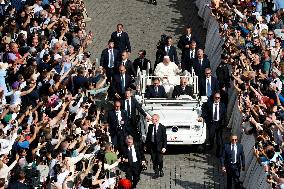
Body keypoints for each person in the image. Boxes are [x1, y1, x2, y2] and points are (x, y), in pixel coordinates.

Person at [200, 91, 226, 157]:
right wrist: (202, 117)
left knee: (219, 140)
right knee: (211, 136)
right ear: (213, 98)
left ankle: (218, 153)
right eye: (216, 98)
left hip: (219, 124)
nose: (217, 99)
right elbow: (205, 112)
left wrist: (224, 123)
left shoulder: (222, 105)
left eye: (218, 98)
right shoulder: (209, 104)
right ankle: (211, 145)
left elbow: (224, 115)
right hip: (212, 123)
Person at [145, 114, 167, 179]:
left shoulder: (162, 127)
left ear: (157, 119)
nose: (152, 121)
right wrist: (146, 145)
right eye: (152, 119)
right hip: (152, 146)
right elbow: (148, 137)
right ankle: (156, 172)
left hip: (160, 147)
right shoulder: (150, 126)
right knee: (154, 160)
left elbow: (164, 138)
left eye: (153, 119)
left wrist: (164, 147)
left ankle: (160, 170)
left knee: (159, 160)